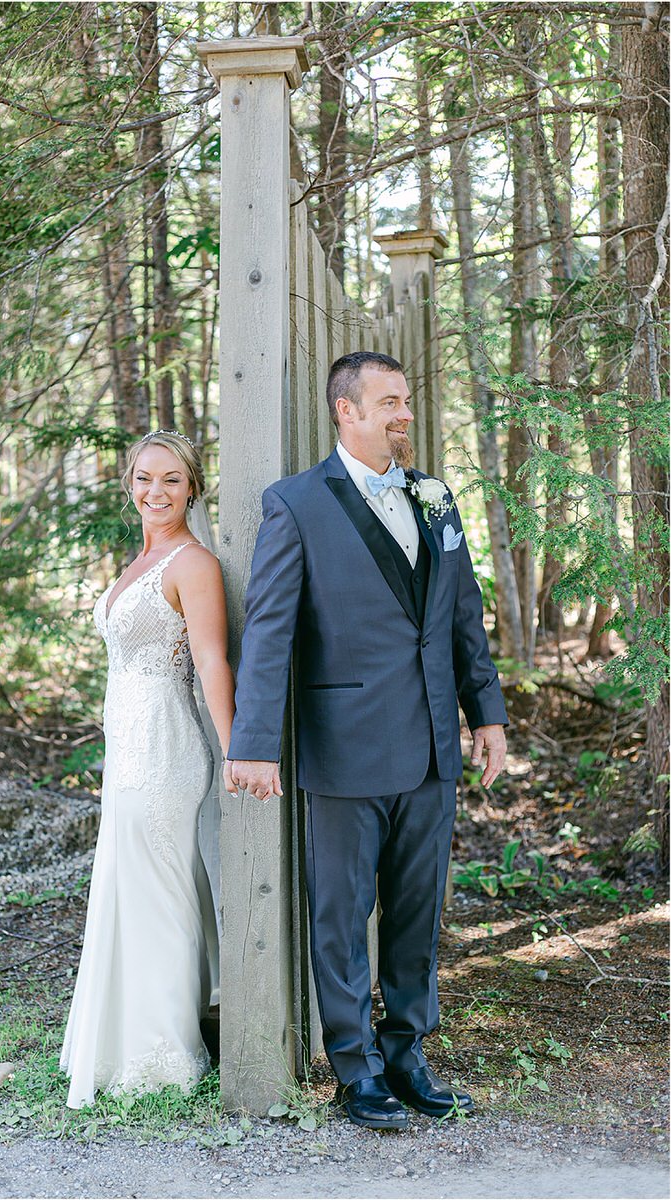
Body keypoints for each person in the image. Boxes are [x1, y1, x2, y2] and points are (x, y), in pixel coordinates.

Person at [224, 352, 508, 1131]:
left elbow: (462, 614)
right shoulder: (294, 504)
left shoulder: (435, 498)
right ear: (345, 411)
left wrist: (485, 715)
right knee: (343, 918)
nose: (404, 414)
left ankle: (407, 1054)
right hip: (344, 747)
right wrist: (254, 742)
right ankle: (355, 1071)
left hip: (430, 748)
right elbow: (270, 631)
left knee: (416, 914)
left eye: (405, 401)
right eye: (388, 403)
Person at [61, 430, 234, 1109]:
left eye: (170, 480)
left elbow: (212, 661)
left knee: (159, 891)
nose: (154, 492)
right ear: (128, 484)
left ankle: (164, 1050)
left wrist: (236, 750)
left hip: (165, 749)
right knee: (131, 886)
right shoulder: (140, 561)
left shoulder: (194, 564)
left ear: (192, 487)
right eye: (143, 478)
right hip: (126, 749)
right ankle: (122, 1038)